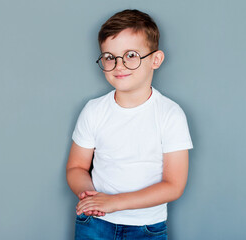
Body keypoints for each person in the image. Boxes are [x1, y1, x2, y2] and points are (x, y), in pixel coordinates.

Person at [66, 9, 193, 240]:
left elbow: (174, 185)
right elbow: (76, 168)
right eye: (109, 57)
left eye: (131, 55)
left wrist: (114, 202)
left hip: (146, 228)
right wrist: (88, 196)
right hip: (95, 222)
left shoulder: (170, 115)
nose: (119, 65)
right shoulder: (94, 110)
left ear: (155, 59)